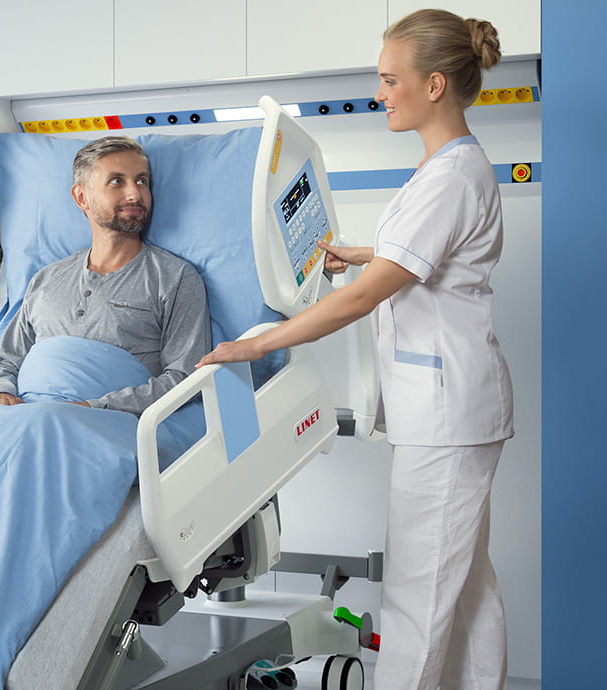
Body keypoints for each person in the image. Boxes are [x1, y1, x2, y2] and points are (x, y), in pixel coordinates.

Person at [197, 9, 512, 689]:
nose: (380, 93)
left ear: (434, 85)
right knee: (466, 587)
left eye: (390, 80)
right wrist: (370, 253)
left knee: (419, 597)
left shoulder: (451, 178)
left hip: (446, 415)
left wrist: (258, 346)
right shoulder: (450, 166)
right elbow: (432, 260)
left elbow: (362, 300)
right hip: (453, 408)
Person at [0, 135, 212, 414]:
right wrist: (1, 393)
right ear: (81, 197)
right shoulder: (46, 279)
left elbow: (185, 378)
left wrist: (93, 407)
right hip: (21, 415)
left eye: (142, 181)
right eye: (116, 181)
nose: (134, 194)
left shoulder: (174, 278)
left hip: (104, 421)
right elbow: (5, 359)